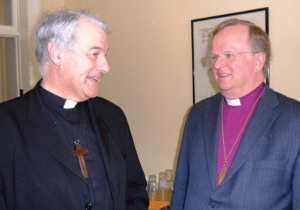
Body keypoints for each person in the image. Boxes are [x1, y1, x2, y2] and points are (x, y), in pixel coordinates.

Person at [0, 9, 148, 210]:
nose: (105, 66)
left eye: (104, 55)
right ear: (57, 53)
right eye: (95, 54)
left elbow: (135, 189)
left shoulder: (113, 116)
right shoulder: (6, 125)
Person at [170, 19, 300, 209]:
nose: (217, 64)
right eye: (214, 57)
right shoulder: (197, 114)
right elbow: (181, 186)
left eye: (228, 55)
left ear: (258, 61)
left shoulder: (293, 119)